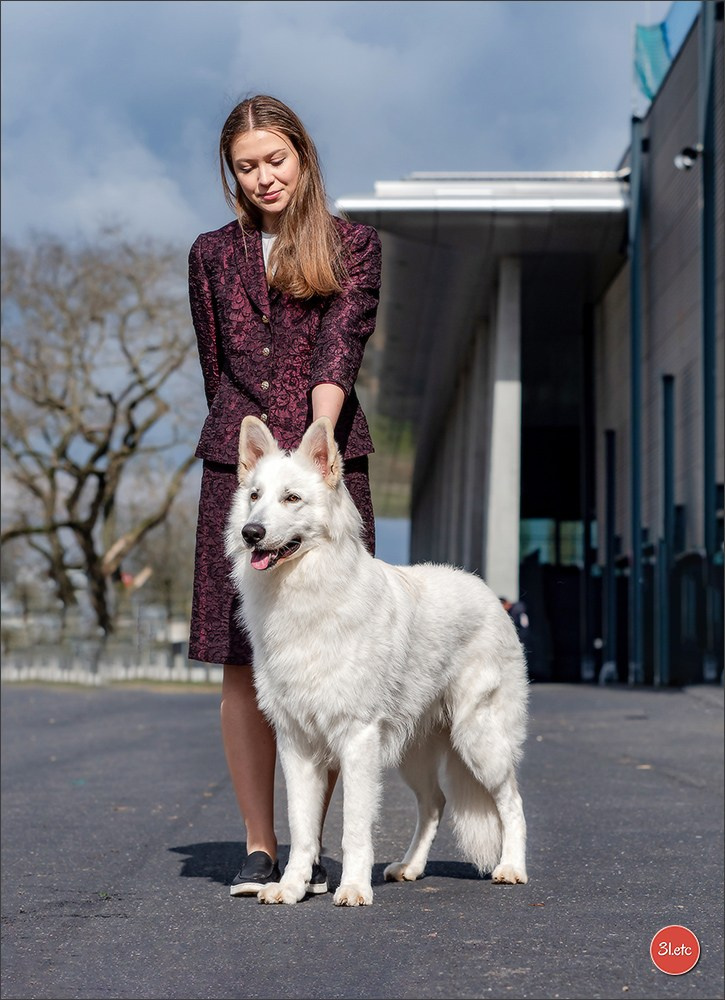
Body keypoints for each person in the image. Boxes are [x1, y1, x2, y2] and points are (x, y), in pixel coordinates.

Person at [187, 95, 381, 897]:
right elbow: (214, 365)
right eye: (245, 165)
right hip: (244, 473)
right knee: (242, 661)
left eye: (275, 159)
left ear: (301, 156)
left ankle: (310, 847)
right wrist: (252, 450)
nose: (263, 177)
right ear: (230, 174)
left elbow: (344, 340)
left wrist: (318, 442)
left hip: (324, 466)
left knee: (332, 663)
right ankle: (260, 846)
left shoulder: (352, 245)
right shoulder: (208, 254)